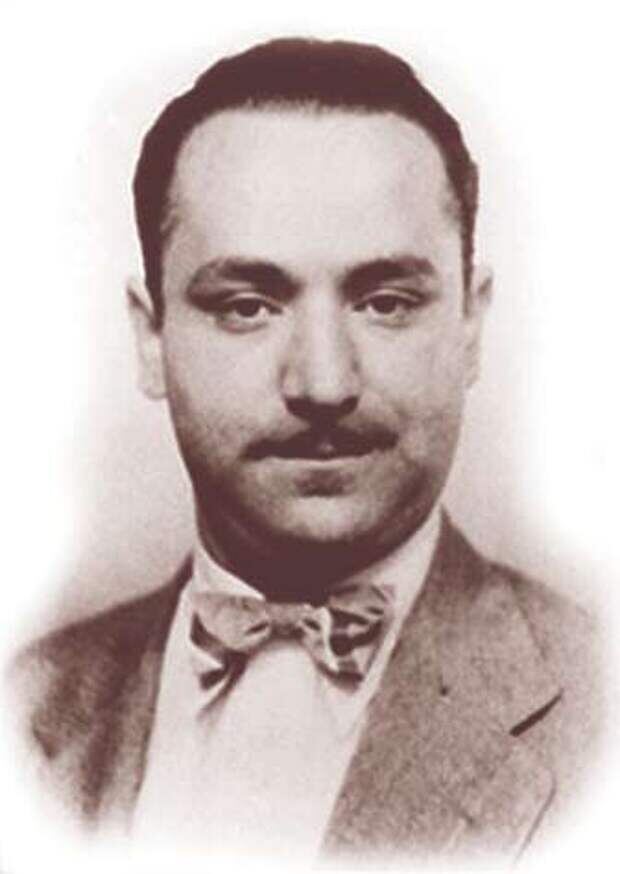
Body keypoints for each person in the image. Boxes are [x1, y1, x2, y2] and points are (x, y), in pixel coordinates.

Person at [9, 37, 601, 864]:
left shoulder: (600, 709)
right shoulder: (23, 711)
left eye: (385, 301)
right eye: (247, 306)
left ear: (470, 325)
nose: (323, 383)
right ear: (151, 338)